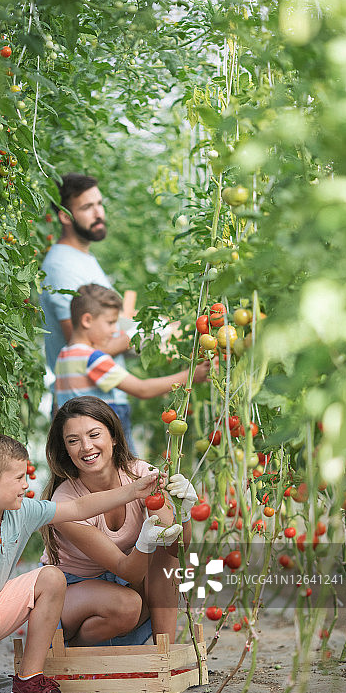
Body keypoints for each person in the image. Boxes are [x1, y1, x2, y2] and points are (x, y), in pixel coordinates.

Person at [0, 432, 175, 693]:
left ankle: (29, 681)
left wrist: (132, 491)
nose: (25, 484)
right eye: (18, 478)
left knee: (52, 577)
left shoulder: (22, 511)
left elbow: (78, 507)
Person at [41, 397, 198, 646]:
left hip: (122, 583)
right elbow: (127, 569)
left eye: (94, 435)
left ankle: (164, 653)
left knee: (163, 558)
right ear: (65, 450)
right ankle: (76, 652)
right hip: (71, 590)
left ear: (113, 436)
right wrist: (145, 543)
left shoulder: (140, 474)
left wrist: (184, 514)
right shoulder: (66, 502)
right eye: (73, 441)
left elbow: (175, 547)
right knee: (127, 605)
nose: (86, 447)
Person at [39, 173, 132, 434]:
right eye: (87, 207)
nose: (98, 213)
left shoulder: (84, 259)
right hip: (87, 412)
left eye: (99, 204)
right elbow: (80, 344)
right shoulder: (62, 266)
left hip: (104, 402)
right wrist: (142, 333)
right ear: (65, 216)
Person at [54, 283, 210, 410]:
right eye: (110, 322)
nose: (115, 329)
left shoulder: (64, 356)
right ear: (87, 320)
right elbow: (142, 389)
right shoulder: (93, 358)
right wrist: (190, 376)